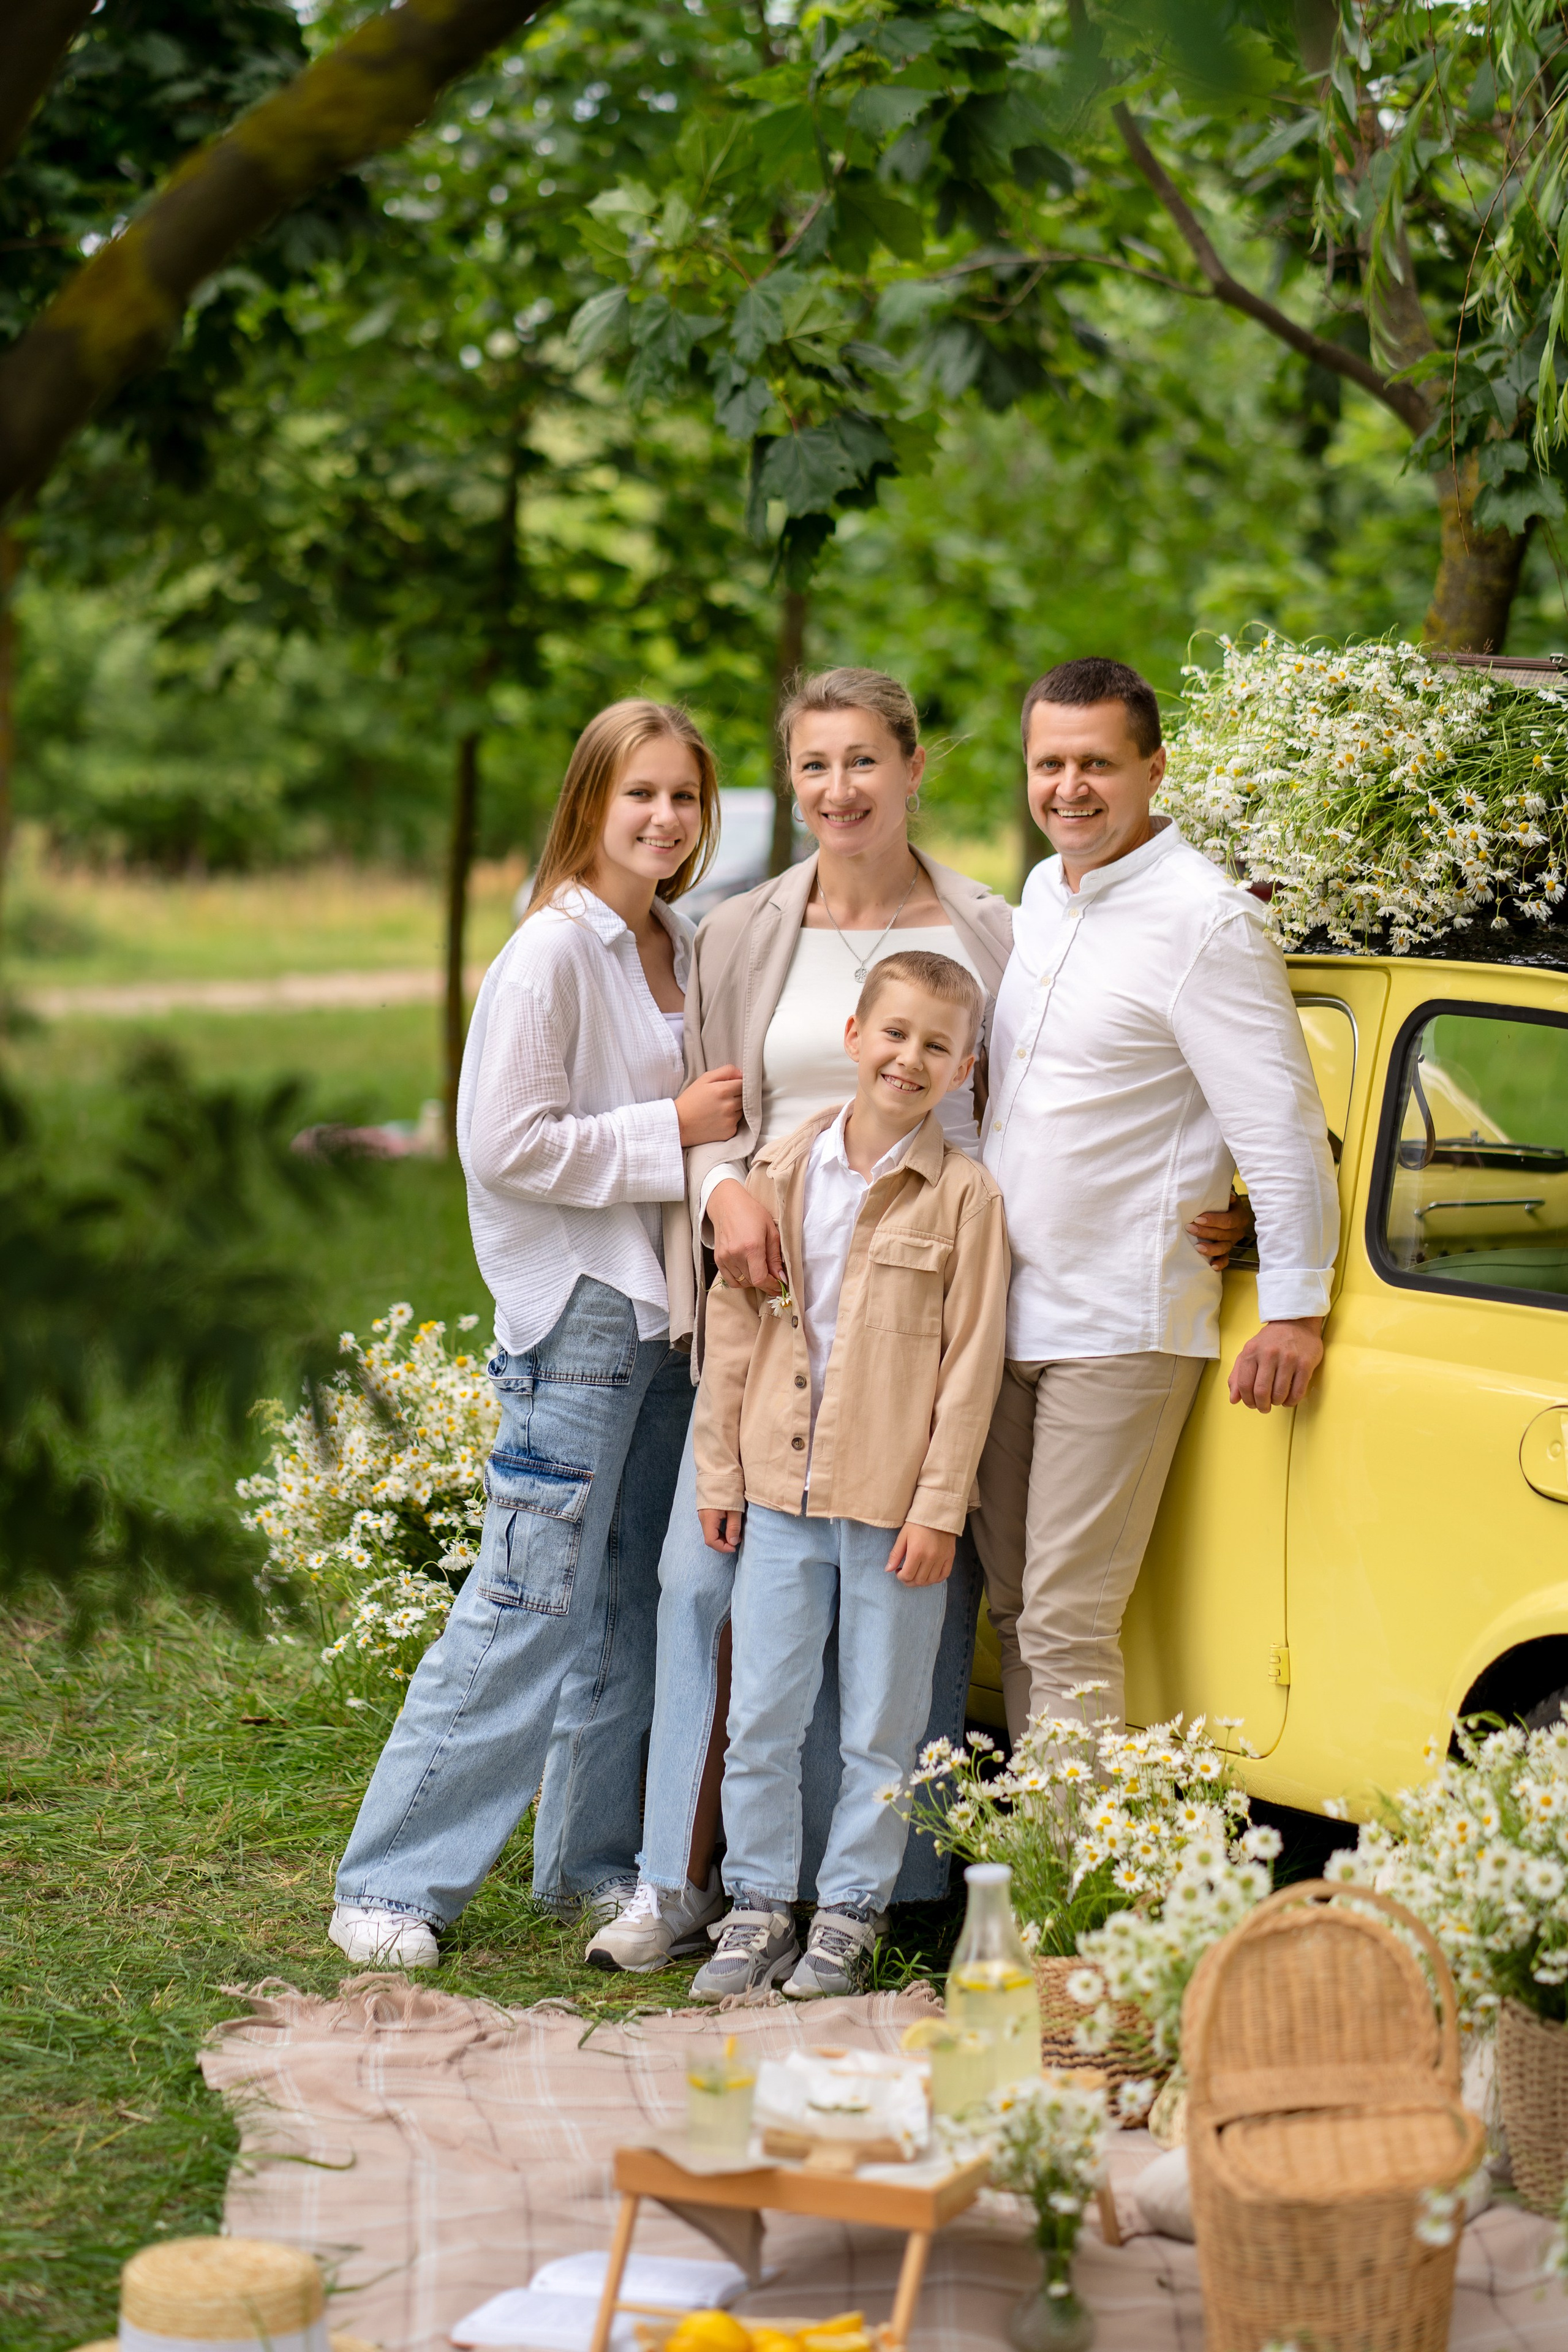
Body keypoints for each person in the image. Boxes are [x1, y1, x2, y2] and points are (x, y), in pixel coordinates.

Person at [557, 667, 1014, 1966]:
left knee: (889, 1625)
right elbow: (713, 1112)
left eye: (863, 761)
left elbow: (1014, 1112)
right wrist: (723, 1198)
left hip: (913, 1305)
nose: (838, 789)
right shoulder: (740, 930)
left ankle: (861, 1895)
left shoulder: (987, 929)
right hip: (766, 1296)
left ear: (913, 767)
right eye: (814, 764)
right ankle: (680, 1880)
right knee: (701, 1585)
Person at [328, 699, 744, 1967]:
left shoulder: (679, 941)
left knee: (627, 1601)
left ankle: (591, 1864)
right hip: (582, 1310)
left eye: (683, 796)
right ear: (589, 803)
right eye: (639, 794)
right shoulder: (552, 951)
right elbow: (503, 1145)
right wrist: (669, 1131)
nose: (663, 817)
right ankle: (391, 1884)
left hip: (672, 1312)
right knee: (526, 1599)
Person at [973, 656, 1341, 1737]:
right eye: (1049, 764)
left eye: (1096, 764)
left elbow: (1279, 1126)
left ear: (1154, 769)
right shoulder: (1043, 897)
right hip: (1003, 1310)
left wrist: (1296, 1307)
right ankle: (1042, 1835)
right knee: (1015, 1608)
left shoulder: (1207, 922)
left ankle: (1071, 1851)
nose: (1069, 788)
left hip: (1119, 1324)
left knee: (1065, 1621)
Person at [688, 951, 1009, 1998]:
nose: (910, 1059)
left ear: (964, 1069)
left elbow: (971, 1367)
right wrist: (720, 1475)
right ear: (855, 1036)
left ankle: (851, 1914)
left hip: (891, 1510)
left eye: (937, 1046)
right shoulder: (783, 1170)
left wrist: (939, 1507)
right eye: (895, 1033)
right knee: (762, 1718)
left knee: (881, 1726)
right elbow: (735, 1333)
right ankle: (757, 1905)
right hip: (778, 1501)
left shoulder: (966, 1200)